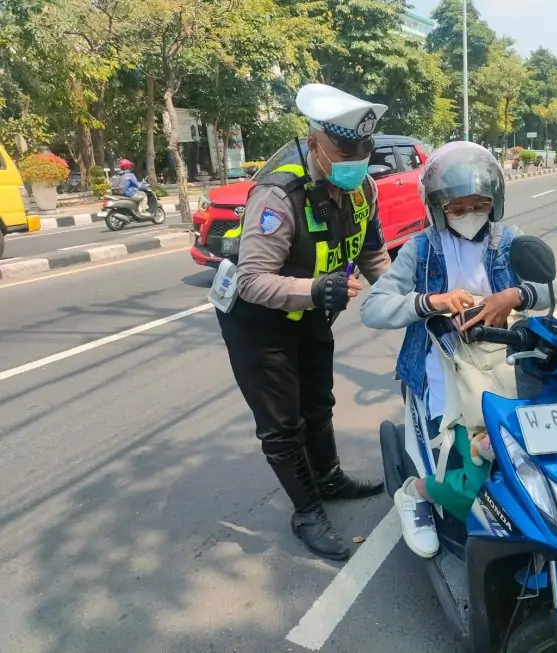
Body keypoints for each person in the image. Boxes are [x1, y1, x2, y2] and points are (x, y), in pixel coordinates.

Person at [213, 83, 392, 561]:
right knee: (282, 423)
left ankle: (329, 477)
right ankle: (307, 512)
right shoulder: (279, 196)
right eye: (344, 149)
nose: (357, 158)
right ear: (315, 143)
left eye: (364, 148)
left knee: (319, 402)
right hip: (257, 321)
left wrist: (409, 302)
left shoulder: (363, 188)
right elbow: (252, 280)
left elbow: (374, 256)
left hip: (311, 309)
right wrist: (316, 290)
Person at [360, 141, 557, 558]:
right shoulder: (421, 249)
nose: (469, 214)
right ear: (437, 206)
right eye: (457, 207)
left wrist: (514, 296)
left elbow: (552, 287)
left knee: (529, 461)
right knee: (468, 483)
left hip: (502, 367)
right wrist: (429, 302)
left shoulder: (509, 240)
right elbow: (373, 308)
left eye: (479, 204)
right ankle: (416, 493)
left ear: (495, 202)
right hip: (441, 371)